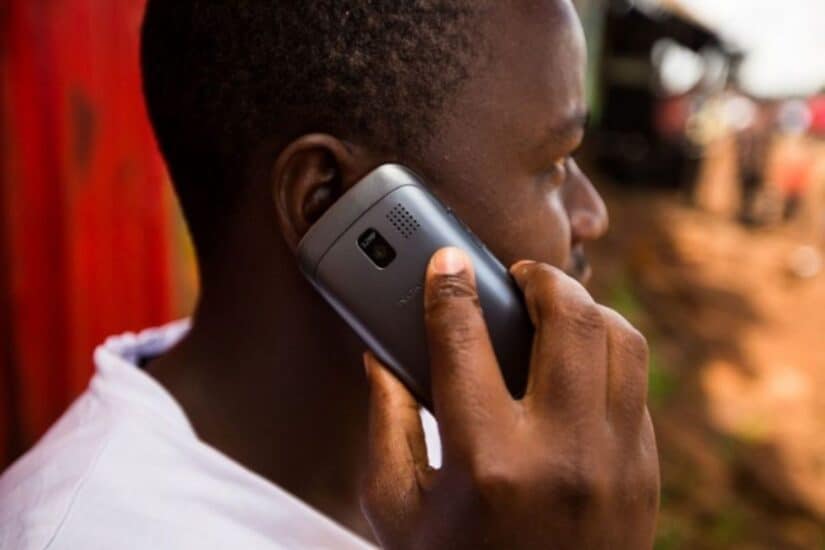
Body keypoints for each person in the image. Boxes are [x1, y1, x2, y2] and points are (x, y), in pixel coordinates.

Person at [0, 1, 660, 548]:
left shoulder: (490, 449)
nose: (592, 214)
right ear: (327, 200)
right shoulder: (81, 532)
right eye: (553, 164)